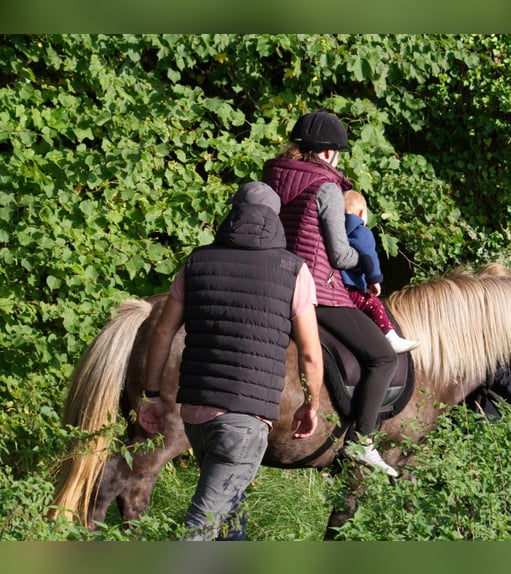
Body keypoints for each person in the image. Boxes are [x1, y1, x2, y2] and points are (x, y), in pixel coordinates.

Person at [138, 181, 323, 541]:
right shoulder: (293, 269)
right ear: (276, 219)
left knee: (229, 513)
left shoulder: (197, 261)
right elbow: (310, 352)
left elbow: (162, 334)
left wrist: (152, 394)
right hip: (245, 422)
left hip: (195, 416)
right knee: (201, 527)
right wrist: (312, 403)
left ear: (233, 211)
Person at [262, 109, 399, 477]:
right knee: (384, 357)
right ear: (327, 154)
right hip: (317, 292)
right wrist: (365, 263)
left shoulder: (272, 177)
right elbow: (338, 254)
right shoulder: (327, 188)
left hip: (270, 285)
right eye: (338, 152)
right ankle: (362, 443)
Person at [341, 189, 420, 354]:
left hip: (336, 286)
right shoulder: (361, 232)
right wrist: (374, 279)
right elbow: (369, 257)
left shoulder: (337, 232)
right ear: (362, 213)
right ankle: (391, 338)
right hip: (350, 289)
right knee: (374, 305)